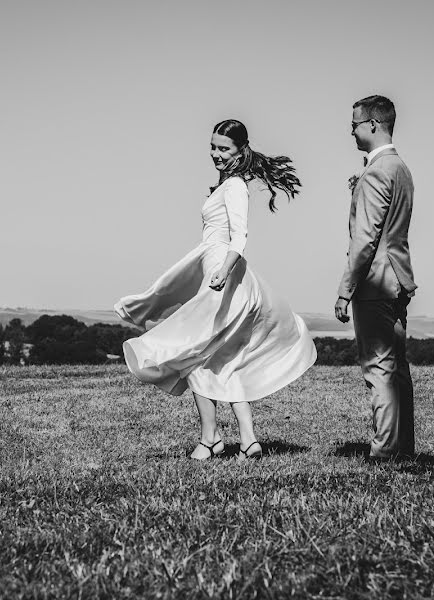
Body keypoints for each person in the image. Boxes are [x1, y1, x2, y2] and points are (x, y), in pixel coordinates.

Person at [115, 119, 317, 461]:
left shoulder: (236, 187)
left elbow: (240, 236)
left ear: (241, 149)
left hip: (223, 279)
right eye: (213, 147)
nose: (216, 154)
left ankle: (210, 439)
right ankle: (247, 439)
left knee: (193, 354)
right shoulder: (226, 185)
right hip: (217, 274)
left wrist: (223, 271)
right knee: (222, 358)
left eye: (224, 148)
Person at [334, 95, 417, 459]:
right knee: (398, 367)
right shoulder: (401, 168)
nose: (350, 130)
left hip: (375, 283)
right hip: (399, 278)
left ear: (372, 125)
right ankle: (404, 446)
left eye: (354, 124)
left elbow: (365, 240)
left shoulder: (376, 173)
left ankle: (384, 451)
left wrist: (344, 290)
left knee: (379, 367)